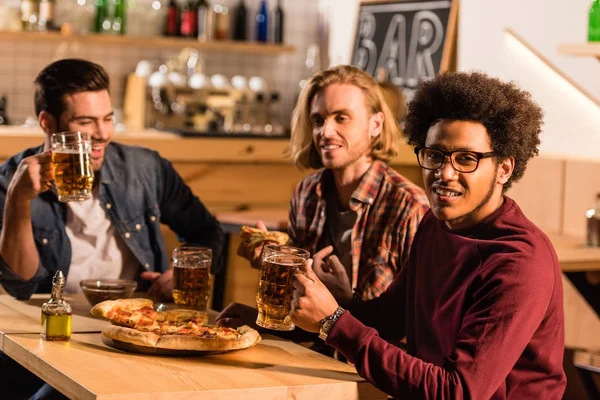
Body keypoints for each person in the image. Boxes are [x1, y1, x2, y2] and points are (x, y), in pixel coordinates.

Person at [289, 71, 567, 399]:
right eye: (434, 155)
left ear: (504, 169)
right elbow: (392, 319)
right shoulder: (436, 224)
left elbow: (458, 391)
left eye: (466, 159)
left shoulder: (519, 261)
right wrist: (341, 302)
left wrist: (333, 321)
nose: (444, 174)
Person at [0, 59, 225, 398]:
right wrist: (18, 202)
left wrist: (183, 274)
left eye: (108, 118)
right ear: (47, 123)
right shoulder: (10, 179)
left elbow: (207, 232)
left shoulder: (145, 168)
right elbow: (19, 284)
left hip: (133, 329)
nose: (103, 133)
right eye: (86, 121)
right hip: (50, 334)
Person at [221, 65, 428, 327]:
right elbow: (303, 314)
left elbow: (416, 324)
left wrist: (346, 302)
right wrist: (273, 262)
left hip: (368, 365)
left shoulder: (409, 207)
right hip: (311, 354)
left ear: (375, 124)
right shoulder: (306, 193)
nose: (325, 132)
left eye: (341, 118)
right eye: (318, 120)